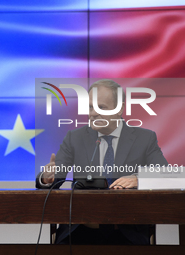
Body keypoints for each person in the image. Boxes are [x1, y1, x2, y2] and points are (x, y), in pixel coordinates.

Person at [36, 79, 168, 245]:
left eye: (101, 107)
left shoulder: (145, 138)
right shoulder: (75, 137)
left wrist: (139, 178)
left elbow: (166, 174)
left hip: (127, 232)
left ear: (120, 108)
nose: (93, 113)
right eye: (90, 107)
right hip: (80, 230)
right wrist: (47, 179)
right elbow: (56, 176)